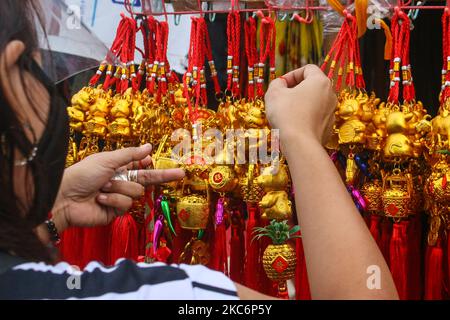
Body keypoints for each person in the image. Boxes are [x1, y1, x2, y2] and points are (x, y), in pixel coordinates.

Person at [0, 1, 398, 300]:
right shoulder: (175, 296)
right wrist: (301, 137)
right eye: (42, 69)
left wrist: (54, 212)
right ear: (9, 72)